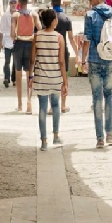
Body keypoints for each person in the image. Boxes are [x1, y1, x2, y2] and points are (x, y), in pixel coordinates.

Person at [83, 0, 112, 149]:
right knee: (109, 97)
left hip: (94, 60)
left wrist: (82, 59)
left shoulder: (90, 15)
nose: (89, 3)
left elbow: (87, 40)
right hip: (109, 62)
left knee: (97, 99)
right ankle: (110, 134)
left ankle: (100, 138)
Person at [29, 9, 68, 151]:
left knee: (42, 108)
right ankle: (56, 136)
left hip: (40, 78)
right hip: (55, 77)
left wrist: (30, 76)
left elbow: (32, 59)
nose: (57, 21)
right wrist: (65, 81)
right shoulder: (59, 38)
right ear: (52, 21)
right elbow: (62, 62)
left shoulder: (37, 36)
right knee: (56, 105)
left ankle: (44, 141)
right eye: (56, 18)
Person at [11, 0, 41, 113]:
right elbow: (39, 28)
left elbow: (12, 35)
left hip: (18, 45)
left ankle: (19, 104)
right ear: (27, 1)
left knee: (18, 75)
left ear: (19, 1)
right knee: (30, 73)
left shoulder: (15, 15)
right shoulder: (34, 14)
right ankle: (29, 101)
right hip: (30, 44)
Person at [50, 0, 72, 114]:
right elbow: (71, 37)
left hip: (51, 50)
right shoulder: (66, 18)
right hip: (63, 50)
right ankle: (63, 105)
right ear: (61, 3)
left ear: (52, 3)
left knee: (51, 77)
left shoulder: (48, 17)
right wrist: (78, 53)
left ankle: (51, 106)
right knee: (64, 77)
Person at [0, 0, 18, 87]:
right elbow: (1, 30)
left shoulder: (19, 15)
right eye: (12, 3)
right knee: (7, 61)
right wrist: (0, 42)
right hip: (7, 41)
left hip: (17, 40)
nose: (13, 4)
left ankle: (14, 79)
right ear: (9, 4)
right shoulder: (5, 15)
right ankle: (6, 78)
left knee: (15, 61)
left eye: (15, 2)